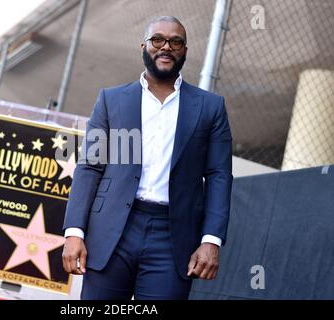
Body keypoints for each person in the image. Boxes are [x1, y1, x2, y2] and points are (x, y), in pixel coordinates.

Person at [62, 16, 233, 300]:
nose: (166, 46)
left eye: (175, 41)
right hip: (112, 233)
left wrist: (211, 240)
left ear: (185, 51)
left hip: (173, 238)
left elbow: (219, 175)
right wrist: (74, 232)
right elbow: (90, 166)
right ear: (144, 46)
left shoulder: (210, 107)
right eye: (158, 40)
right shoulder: (111, 100)